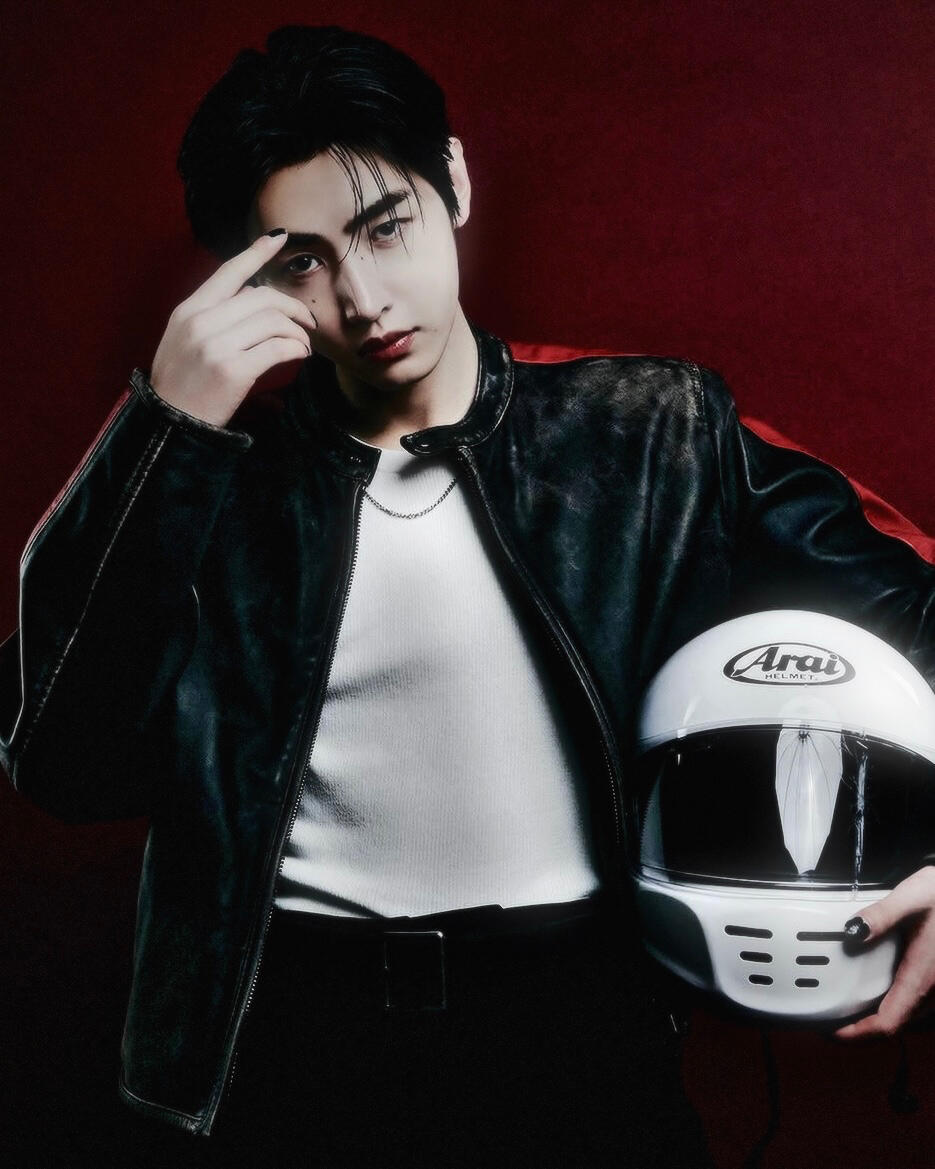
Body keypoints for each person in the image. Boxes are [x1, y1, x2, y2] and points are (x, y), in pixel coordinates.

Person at [1, 22, 934, 1169]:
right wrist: (167, 431)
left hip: (573, 1026)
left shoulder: (650, 433)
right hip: (290, 1039)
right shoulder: (209, 482)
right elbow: (67, 764)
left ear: (451, 178)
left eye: (384, 226)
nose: (362, 296)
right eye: (300, 261)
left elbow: (916, 609)